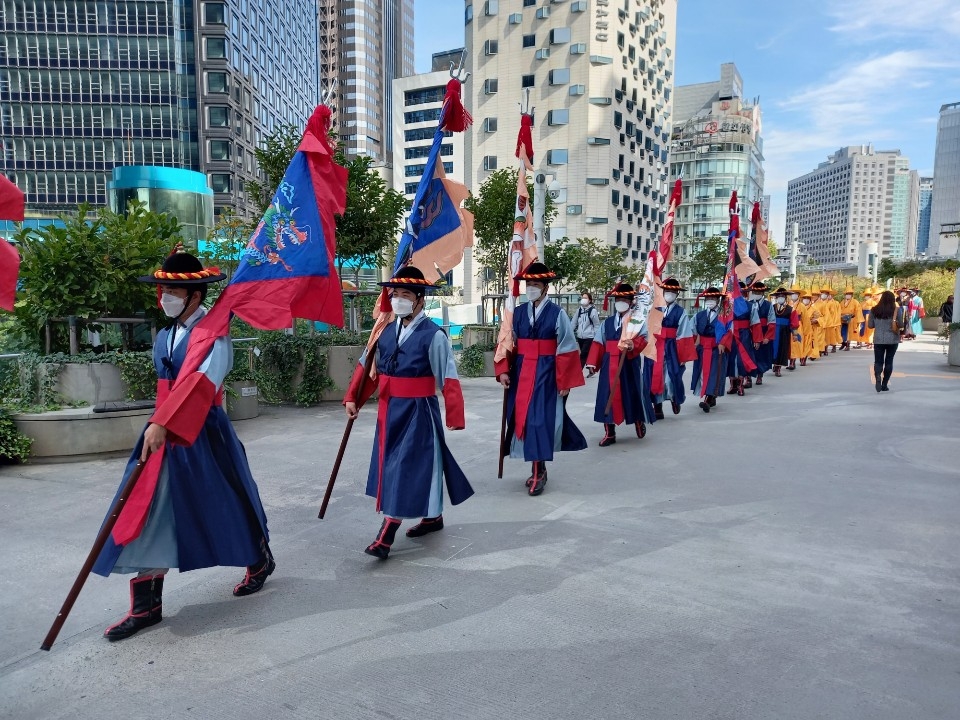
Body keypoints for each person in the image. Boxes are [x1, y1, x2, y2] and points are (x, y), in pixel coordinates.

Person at [93, 249, 274, 642]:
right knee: (147, 508)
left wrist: (165, 422)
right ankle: (146, 607)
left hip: (202, 430)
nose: (165, 297)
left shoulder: (215, 333)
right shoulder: (165, 336)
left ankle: (258, 559)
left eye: (173, 290)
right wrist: (159, 422)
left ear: (194, 294)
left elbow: (202, 385)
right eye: (162, 290)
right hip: (161, 430)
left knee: (224, 500)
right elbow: (169, 385)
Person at [344, 266, 473, 560]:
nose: (399, 299)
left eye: (405, 295)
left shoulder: (434, 336)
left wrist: (455, 415)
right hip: (389, 412)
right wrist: (354, 398)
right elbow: (368, 369)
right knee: (400, 466)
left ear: (419, 300)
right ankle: (433, 517)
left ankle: (387, 532)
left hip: (418, 411)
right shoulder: (386, 331)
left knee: (404, 469)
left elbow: (448, 377)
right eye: (396, 294)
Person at [496, 262, 587, 496]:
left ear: (546, 288)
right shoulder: (517, 313)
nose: (531, 288)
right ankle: (540, 468)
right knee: (522, 421)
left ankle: (538, 473)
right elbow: (508, 342)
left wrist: (565, 381)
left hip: (546, 373)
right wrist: (503, 369)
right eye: (529, 284)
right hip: (522, 371)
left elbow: (567, 346)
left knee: (539, 422)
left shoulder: (557, 314)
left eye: (536, 284)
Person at [584, 283, 654, 445]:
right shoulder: (607, 323)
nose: (620, 301)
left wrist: (633, 344)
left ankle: (638, 420)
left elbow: (644, 338)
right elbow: (599, 342)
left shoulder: (637, 321)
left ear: (630, 301)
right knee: (606, 395)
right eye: (618, 299)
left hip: (628, 363)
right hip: (609, 363)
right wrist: (593, 363)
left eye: (624, 299)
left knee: (632, 392)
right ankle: (609, 432)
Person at [647, 277, 697, 416]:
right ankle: (657, 407)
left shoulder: (681, 312)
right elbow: (648, 328)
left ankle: (675, 398)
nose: (669, 293)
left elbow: (684, 333)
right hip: (656, 346)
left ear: (677, 294)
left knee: (671, 378)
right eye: (667, 290)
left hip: (672, 347)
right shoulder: (655, 309)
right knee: (655, 377)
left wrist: (683, 356)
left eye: (673, 291)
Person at [690, 287, 731, 412]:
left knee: (715, 372)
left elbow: (730, 330)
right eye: (708, 298)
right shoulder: (699, 315)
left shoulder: (725, 315)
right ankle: (711, 397)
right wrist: (695, 342)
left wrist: (723, 342)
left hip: (717, 347)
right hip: (703, 348)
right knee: (703, 373)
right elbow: (693, 330)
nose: (710, 300)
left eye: (713, 298)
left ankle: (708, 399)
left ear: (718, 300)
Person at [868, 290, 909, 392]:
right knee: (889, 361)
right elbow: (901, 324)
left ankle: (877, 375)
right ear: (892, 299)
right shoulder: (896, 310)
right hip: (892, 339)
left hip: (878, 339)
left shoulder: (874, 310)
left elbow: (870, 325)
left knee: (878, 361)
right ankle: (884, 384)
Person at [748, 281, 775, 385]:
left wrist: (768, 337)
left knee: (762, 355)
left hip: (764, 331)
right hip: (751, 332)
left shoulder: (768, 305)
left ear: (763, 293)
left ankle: (760, 375)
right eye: (755, 292)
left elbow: (772, 321)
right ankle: (748, 377)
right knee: (750, 355)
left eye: (759, 292)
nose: (756, 294)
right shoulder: (749, 304)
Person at [770, 287, 800, 376]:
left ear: (785, 298)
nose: (780, 298)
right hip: (773, 330)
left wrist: (795, 334)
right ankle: (775, 364)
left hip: (784, 332)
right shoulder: (772, 307)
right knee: (773, 349)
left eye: (782, 296)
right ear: (776, 298)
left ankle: (778, 368)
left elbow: (794, 322)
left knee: (782, 349)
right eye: (779, 296)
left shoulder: (791, 309)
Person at [573, 291, 601, 368]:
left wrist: (596, 336)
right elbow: (573, 323)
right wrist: (570, 332)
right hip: (580, 337)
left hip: (589, 337)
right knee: (585, 353)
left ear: (590, 300)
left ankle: (579, 371)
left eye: (585, 298)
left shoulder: (593, 311)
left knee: (583, 354)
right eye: (582, 298)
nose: (583, 299)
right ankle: (591, 367)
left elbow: (596, 325)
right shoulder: (578, 310)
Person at [820, 285, 842, 353]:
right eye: (823, 293)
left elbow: (835, 313)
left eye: (826, 294)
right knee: (823, 336)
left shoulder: (833, 303)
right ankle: (823, 349)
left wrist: (834, 323)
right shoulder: (820, 302)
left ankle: (831, 347)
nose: (824, 295)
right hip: (822, 321)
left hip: (831, 322)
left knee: (831, 336)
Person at [838, 286, 861, 351]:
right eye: (847, 294)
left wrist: (857, 319)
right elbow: (839, 309)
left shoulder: (855, 302)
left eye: (849, 294)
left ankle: (848, 345)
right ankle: (843, 343)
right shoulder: (842, 302)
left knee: (849, 333)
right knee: (842, 332)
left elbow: (858, 311)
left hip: (851, 319)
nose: (848, 295)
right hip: (843, 319)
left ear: (852, 295)